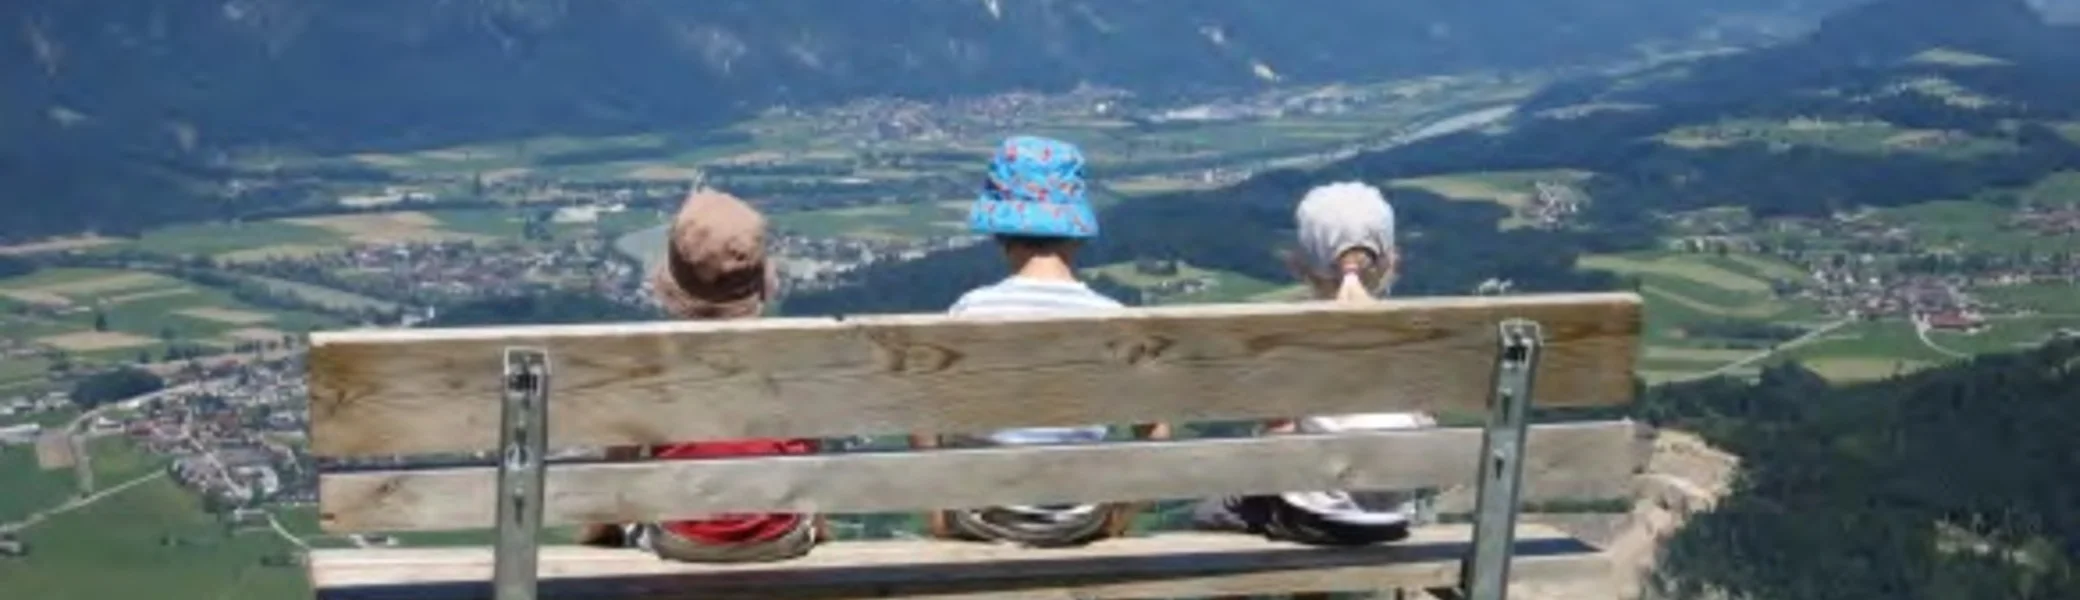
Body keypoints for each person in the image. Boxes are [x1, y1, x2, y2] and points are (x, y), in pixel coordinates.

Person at [909, 135, 1171, 547]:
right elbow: (1156, 435)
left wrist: (941, 516)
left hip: (985, 521)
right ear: (1076, 230)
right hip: (1079, 523)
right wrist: (1115, 518)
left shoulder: (970, 311)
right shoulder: (1112, 319)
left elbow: (923, 420)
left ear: (999, 228)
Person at [576, 188, 827, 562]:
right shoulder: (788, 363)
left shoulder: (654, 368)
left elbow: (618, 473)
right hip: (780, 540)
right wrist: (816, 527)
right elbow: (809, 463)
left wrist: (599, 531)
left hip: (682, 542)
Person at [1189, 181, 1438, 549]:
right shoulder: (1424, 338)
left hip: (1315, 520)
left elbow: (1279, 437)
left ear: (1297, 264)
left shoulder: (1290, 340)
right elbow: (1425, 422)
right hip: (1394, 514)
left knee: (1211, 511)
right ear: (1391, 261)